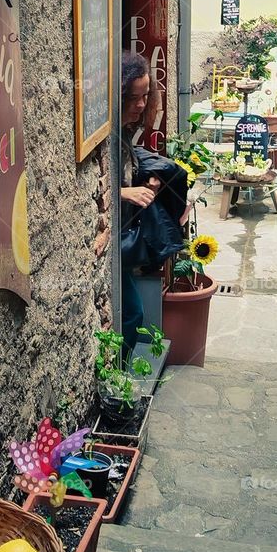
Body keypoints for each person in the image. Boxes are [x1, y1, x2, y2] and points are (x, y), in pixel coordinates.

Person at [120, 52, 160, 352]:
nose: (142, 104)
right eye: (134, 98)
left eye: (146, 95)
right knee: (133, 312)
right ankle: (118, 378)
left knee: (132, 312)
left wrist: (146, 181)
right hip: (114, 240)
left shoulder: (126, 129)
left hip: (124, 236)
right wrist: (124, 193)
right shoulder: (109, 130)